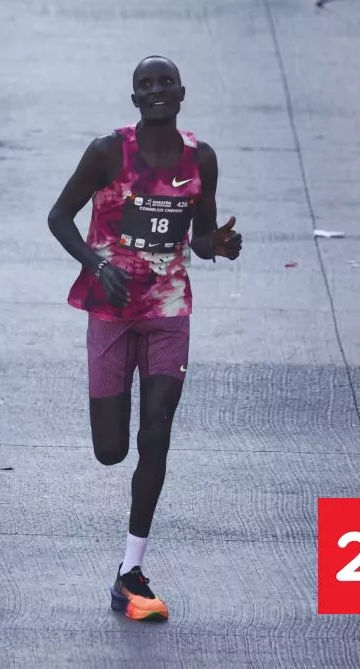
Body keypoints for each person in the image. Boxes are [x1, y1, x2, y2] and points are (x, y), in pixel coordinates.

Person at [47, 55, 242, 621]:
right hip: (110, 312)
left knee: (156, 433)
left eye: (164, 83)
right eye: (145, 85)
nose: (156, 91)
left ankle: (130, 570)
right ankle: (127, 556)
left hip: (167, 311)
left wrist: (217, 246)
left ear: (181, 93)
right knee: (113, 451)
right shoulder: (109, 152)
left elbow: (200, 235)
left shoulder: (200, 158)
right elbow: (59, 217)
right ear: (135, 99)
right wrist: (94, 261)